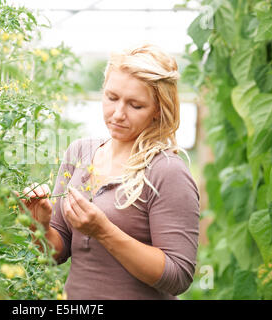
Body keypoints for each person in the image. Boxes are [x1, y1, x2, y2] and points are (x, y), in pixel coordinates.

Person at [17, 43, 200, 300]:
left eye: (135, 105)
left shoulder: (167, 171)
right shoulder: (79, 153)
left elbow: (178, 277)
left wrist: (103, 231)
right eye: (112, 98)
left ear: (158, 110)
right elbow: (56, 253)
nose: (118, 113)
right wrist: (39, 226)